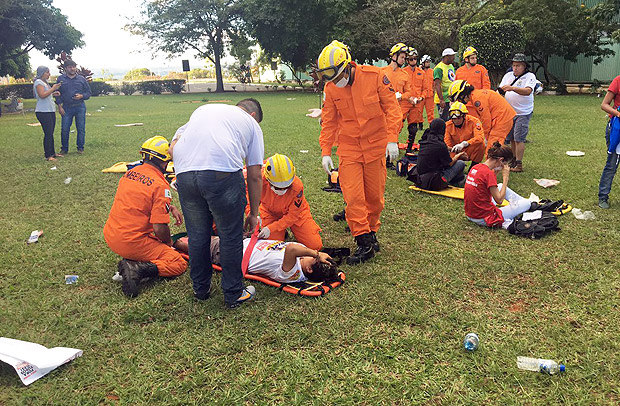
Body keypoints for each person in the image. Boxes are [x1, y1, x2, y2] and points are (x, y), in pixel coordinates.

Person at [169, 99, 264, 309]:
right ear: (253, 116)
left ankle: (200, 289)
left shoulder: (204, 109)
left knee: (197, 235)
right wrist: (253, 213)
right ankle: (233, 293)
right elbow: (255, 174)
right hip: (222, 173)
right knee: (230, 235)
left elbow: (172, 146)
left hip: (184, 173)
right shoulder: (251, 123)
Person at [316, 40, 401, 264]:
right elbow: (329, 122)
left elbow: (392, 109)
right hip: (349, 149)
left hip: (375, 147)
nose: (335, 82)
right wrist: (326, 151)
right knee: (353, 198)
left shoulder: (375, 76)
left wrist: (392, 139)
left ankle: (371, 233)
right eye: (331, 79)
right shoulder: (331, 88)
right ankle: (363, 241)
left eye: (337, 77)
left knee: (374, 198)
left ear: (347, 66)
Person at [103, 136, 187, 298]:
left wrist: (170, 207)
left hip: (111, 235)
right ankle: (137, 269)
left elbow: (140, 201)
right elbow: (159, 228)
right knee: (178, 263)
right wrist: (167, 244)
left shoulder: (130, 174)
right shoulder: (160, 185)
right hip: (132, 242)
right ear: (164, 161)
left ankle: (133, 262)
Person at [256, 154, 323, 250]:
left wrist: (271, 228)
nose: (282, 190)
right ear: (268, 180)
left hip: (297, 215)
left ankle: (282, 229)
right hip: (270, 214)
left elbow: (293, 215)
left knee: (314, 245)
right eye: (277, 187)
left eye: (287, 186)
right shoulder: (258, 180)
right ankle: (281, 232)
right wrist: (252, 215)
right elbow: (248, 199)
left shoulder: (297, 187)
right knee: (272, 248)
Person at [209, 236, 337, 284]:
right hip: (246, 240)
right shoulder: (303, 255)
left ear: (309, 269)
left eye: (315, 258)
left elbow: (291, 249)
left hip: (233, 253)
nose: (314, 255)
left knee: (202, 241)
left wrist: (316, 253)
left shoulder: (293, 273)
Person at [464, 142, 533, 228]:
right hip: (484, 218)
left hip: (470, 214)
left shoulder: (476, 167)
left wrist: (496, 173)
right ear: (500, 160)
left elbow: (485, 184)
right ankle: (527, 203)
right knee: (527, 203)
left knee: (499, 186)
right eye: (505, 164)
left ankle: (519, 203)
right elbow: (499, 200)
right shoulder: (488, 174)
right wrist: (505, 178)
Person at [448, 79, 516, 149]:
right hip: (503, 117)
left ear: (463, 94)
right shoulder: (477, 95)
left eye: (459, 99)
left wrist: (486, 137)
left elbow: (486, 119)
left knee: (492, 149)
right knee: (494, 147)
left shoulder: (477, 100)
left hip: (502, 118)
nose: (460, 101)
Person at [499, 53, 537, 172]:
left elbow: (528, 91)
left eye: (518, 65)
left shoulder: (530, 76)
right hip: (509, 112)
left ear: (524, 66)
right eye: (514, 65)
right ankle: (513, 160)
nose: (515, 68)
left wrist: (512, 88)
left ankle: (519, 164)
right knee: (511, 138)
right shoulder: (508, 76)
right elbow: (500, 90)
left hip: (523, 112)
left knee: (519, 138)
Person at [415, 118, 467, 190]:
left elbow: (441, 148)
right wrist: (459, 155)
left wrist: (452, 149)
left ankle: (458, 179)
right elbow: (449, 163)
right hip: (434, 183)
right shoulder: (440, 145)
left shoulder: (425, 140)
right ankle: (458, 180)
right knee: (460, 163)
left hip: (420, 180)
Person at [381, 43, 414, 150]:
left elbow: (408, 93)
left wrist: (401, 97)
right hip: (383, 108)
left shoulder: (405, 75)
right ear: (394, 56)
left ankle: (390, 150)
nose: (404, 60)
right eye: (402, 57)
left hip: (397, 109)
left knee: (395, 129)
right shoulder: (382, 72)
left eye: (405, 58)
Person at [56, 60, 91, 155]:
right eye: (70, 67)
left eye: (74, 67)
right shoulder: (61, 79)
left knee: (81, 128)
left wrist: (81, 96)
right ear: (65, 68)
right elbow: (57, 94)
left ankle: (80, 148)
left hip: (80, 107)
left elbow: (88, 93)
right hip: (66, 107)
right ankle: (64, 149)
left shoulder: (81, 79)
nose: (72, 69)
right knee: (65, 129)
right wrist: (60, 107)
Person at [597, 74, 620, 209]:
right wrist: (618, 113)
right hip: (617, 128)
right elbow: (604, 105)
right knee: (612, 163)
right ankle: (603, 196)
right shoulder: (618, 81)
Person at [33, 66, 62, 161]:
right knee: (48, 133)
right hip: (43, 111)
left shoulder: (45, 83)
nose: (49, 74)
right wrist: (53, 88)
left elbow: (47, 94)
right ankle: (48, 155)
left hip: (50, 110)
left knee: (51, 132)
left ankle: (52, 153)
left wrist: (53, 93)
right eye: (47, 72)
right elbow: (42, 95)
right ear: (42, 73)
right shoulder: (38, 82)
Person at [444, 102, 485, 166]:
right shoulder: (448, 126)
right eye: (454, 119)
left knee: (481, 144)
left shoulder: (474, 122)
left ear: (464, 116)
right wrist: (455, 156)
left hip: (469, 149)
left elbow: (480, 137)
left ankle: (474, 165)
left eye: (458, 118)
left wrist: (465, 144)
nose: (456, 121)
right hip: (454, 150)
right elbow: (447, 144)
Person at [403, 47, 427, 146]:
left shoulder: (422, 73)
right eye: (411, 59)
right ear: (407, 60)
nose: (413, 61)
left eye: (415, 58)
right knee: (397, 124)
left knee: (413, 128)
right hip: (404, 102)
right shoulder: (403, 72)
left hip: (416, 103)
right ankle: (393, 143)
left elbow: (425, 89)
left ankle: (409, 146)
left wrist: (422, 97)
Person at [434, 48, 456, 121]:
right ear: (447, 56)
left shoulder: (451, 66)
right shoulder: (439, 68)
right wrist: (441, 99)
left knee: (452, 119)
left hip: (450, 98)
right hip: (443, 99)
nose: (454, 58)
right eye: (452, 56)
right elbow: (437, 84)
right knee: (444, 120)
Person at [420, 55, 435, 124]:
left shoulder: (432, 71)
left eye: (429, 62)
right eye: (427, 62)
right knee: (419, 111)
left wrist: (434, 92)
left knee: (430, 111)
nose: (428, 63)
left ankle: (431, 124)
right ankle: (420, 123)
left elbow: (434, 83)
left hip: (430, 95)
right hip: (421, 95)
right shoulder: (419, 72)